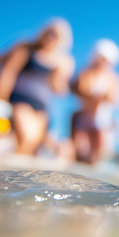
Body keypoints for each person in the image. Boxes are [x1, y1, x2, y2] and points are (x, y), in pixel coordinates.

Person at [0, 18, 74, 155]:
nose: (51, 38)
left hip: (42, 107)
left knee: (34, 143)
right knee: (27, 137)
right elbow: (9, 72)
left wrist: (61, 74)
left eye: (56, 35)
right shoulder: (26, 49)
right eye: (49, 33)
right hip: (20, 99)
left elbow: (59, 90)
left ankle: (18, 173)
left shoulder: (60, 62)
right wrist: (2, 97)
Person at [71, 39, 119, 164]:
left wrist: (94, 98)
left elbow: (114, 100)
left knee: (96, 156)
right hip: (84, 117)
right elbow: (82, 91)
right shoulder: (86, 73)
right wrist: (99, 98)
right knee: (80, 150)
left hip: (102, 120)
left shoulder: (114, 78)